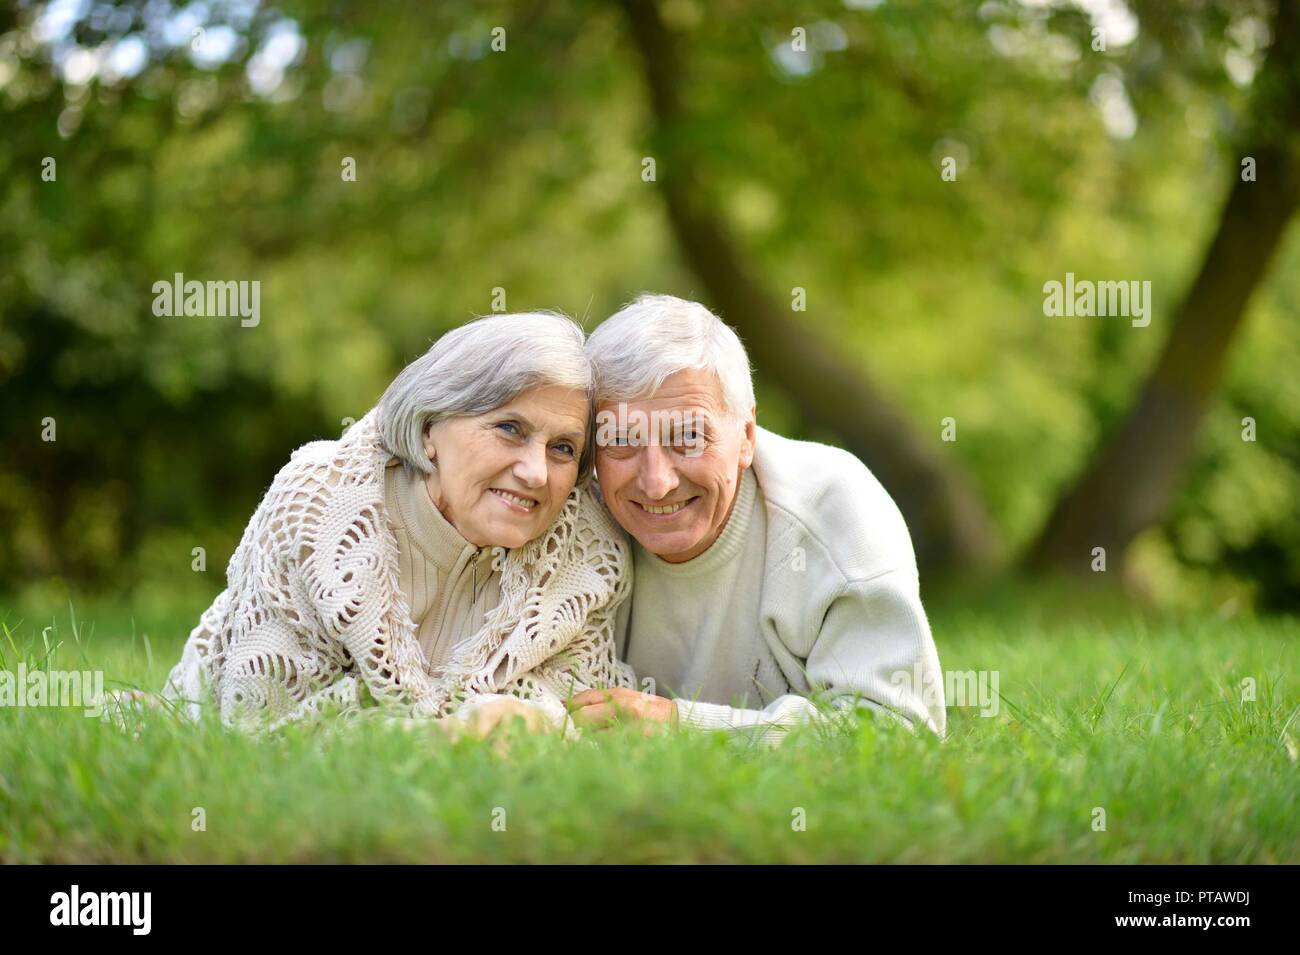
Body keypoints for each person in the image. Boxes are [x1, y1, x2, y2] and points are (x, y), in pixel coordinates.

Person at [155, 311, 635, 733]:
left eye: (563, 449)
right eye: (510, 429)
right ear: (430, 431)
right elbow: (265, 718)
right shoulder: (318, 505)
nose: (535, 471)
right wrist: (456, 731)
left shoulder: (585, 554)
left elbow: (581, 717)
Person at [569, 294, 947, 744]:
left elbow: (897, 732)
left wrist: (677, 725)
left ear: (746, 436)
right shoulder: (572, 518)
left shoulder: (836, 508)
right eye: (622, 441)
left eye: (688, 437)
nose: (656, 483)